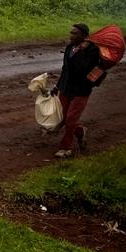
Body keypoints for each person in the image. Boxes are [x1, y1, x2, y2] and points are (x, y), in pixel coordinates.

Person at [51, 23, 100, 158]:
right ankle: (80, 132)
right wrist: (57, 86)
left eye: (75, 34)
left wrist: (81, 51)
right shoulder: (69, 48)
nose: (71, 36)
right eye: (71, 33)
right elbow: (65, 69)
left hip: (81, 90)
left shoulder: (92, 51)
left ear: (84, 36)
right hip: (66, 88)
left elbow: (82, 69)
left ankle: (66, 148)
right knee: (63, 118)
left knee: (71, 119)